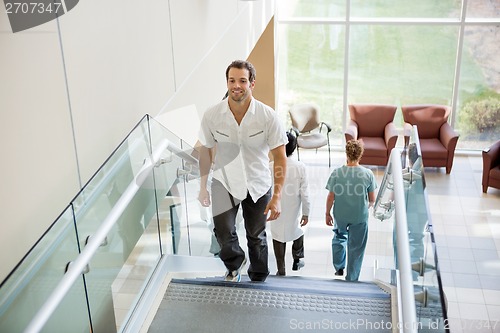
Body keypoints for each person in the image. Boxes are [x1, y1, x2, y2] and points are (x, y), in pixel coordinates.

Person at [198, 60, 287, 282]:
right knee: (223, 233)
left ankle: (258, 278)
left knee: (256, 236)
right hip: (224, 182)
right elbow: (205, 151)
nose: (236, 85)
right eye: (232, 80)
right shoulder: (212, 115)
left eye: (242, 81)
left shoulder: (268, 117)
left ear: (252, 84)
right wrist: (202, 186)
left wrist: (276, 197)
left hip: (257, 183)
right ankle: (235, 263)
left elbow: (279, 158)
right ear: (227, 82)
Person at [325, 139, 377, 281]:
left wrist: (327, 213)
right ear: (360, 155)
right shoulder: (368, 174)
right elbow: (372, 199)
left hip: (340, 215)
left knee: (339, 237)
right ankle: (352, 278)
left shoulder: (336, 173)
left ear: (346, 154)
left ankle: (339, 267)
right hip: (359, 216)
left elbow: (331, 197)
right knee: (356, 247)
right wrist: (366, 206)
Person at [270, 131, 310, 276]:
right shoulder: (300, 167)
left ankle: (281, 270)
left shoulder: (270, 166)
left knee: (278, 236)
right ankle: (297, 258)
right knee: (298, 229)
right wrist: (306, 212)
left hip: (276, 207)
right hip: (294, 207)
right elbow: (305, 193)